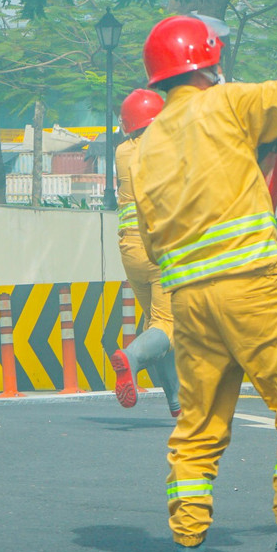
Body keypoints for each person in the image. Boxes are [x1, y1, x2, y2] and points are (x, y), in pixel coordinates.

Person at [132, 14, 277, 552]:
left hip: (188, 300)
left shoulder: (147, 143)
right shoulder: (228, 103)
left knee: (198, 427)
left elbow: (155, 239)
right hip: (251, 287)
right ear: (208, 61)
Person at [108, 88, 180, 417]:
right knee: (168, 326)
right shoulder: (165, 147)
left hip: (130, 251)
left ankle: (177, 404)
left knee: (157, 326)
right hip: (160, 248)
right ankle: (131, 357)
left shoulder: (123, 151)